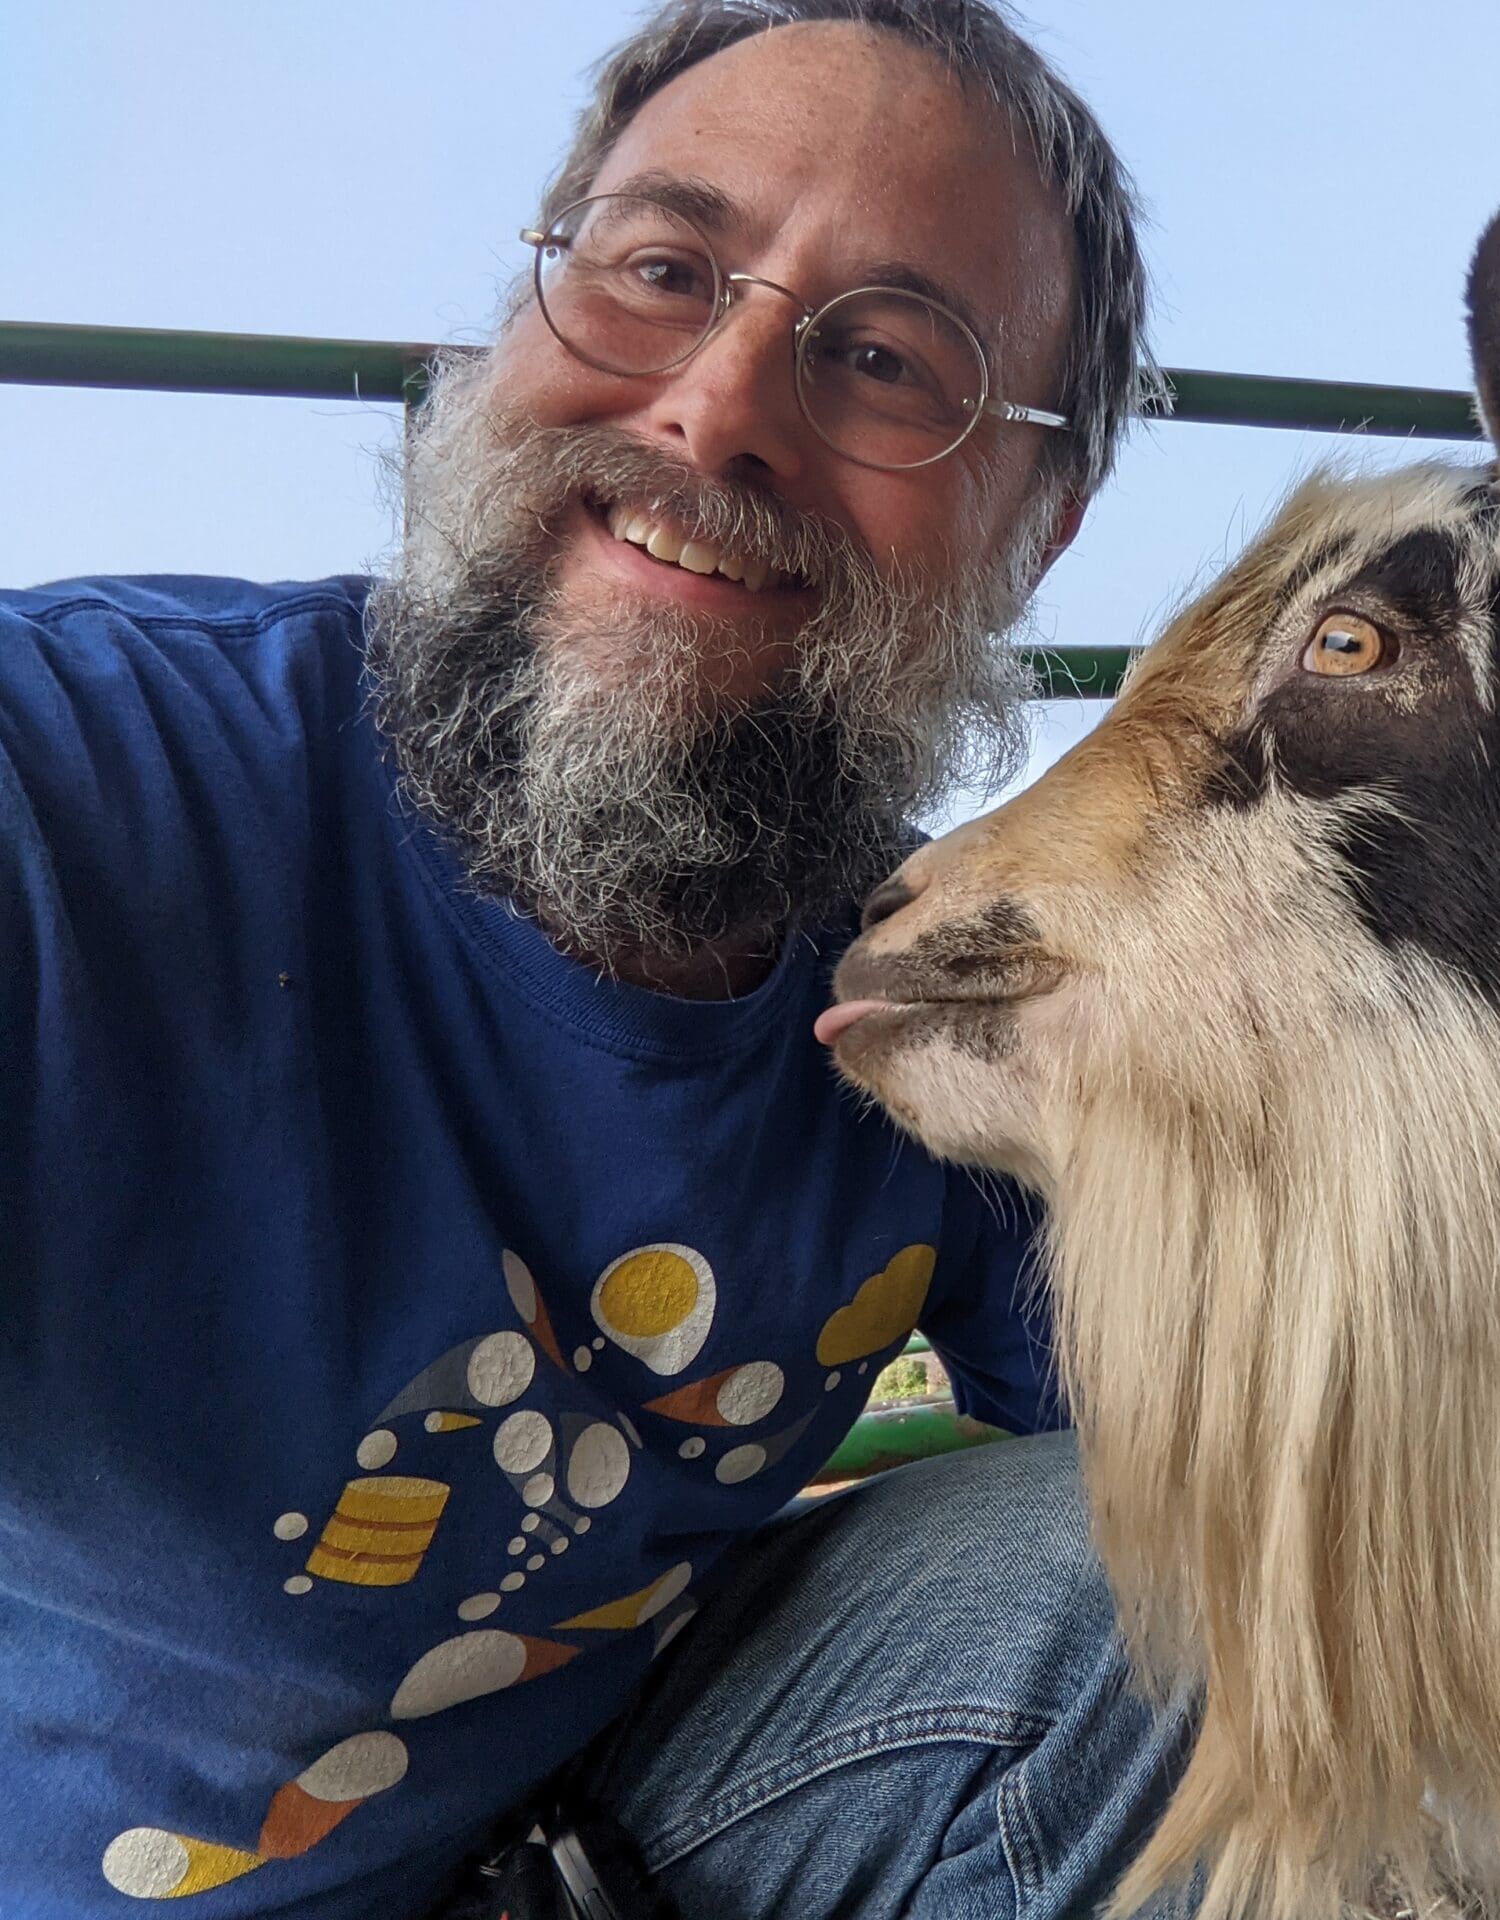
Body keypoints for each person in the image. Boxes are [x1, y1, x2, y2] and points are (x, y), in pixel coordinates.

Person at [0, 4, 1194, 1916]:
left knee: (1165, 1589)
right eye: (658, 269)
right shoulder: (86, 784)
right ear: (514, 322)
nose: (718, 407)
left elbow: (1236, 1432)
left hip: (576, 1847)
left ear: (1035, 532)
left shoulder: (942, 1002)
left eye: (888, 358)